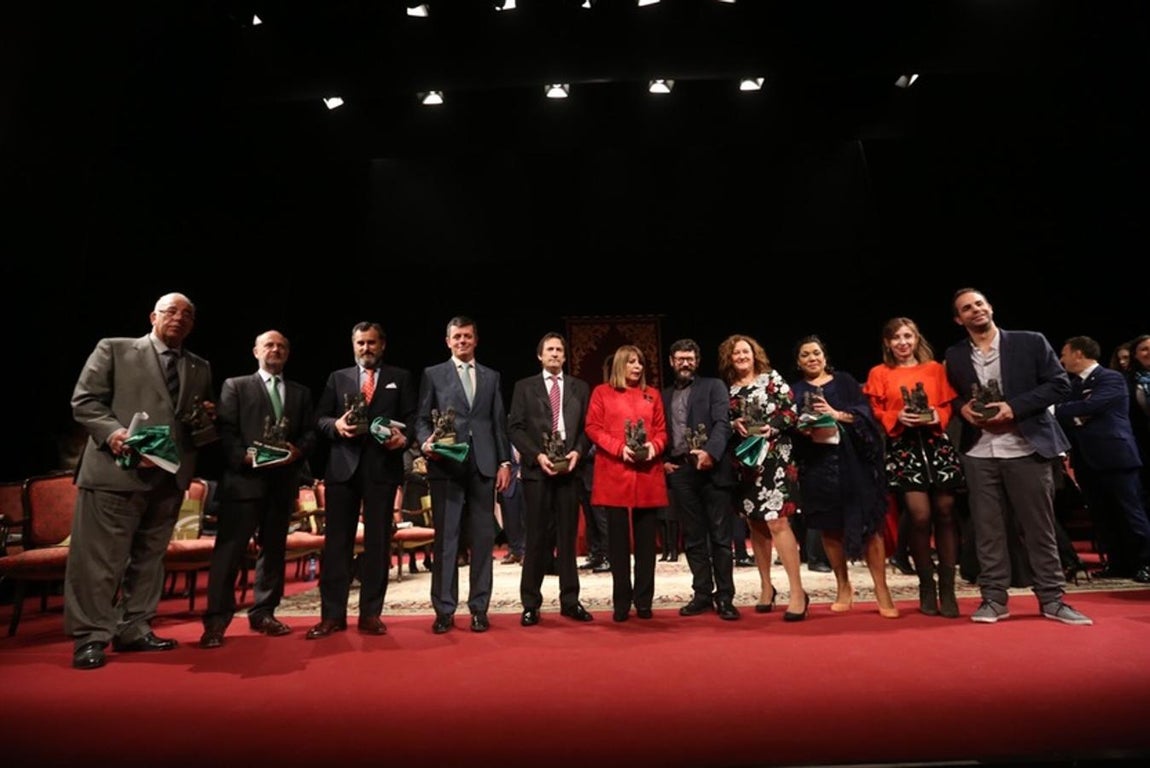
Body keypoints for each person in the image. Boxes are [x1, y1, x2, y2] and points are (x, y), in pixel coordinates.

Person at [65, 292, 215, 670]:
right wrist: (116, 435)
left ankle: (134, 627)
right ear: (153, 316)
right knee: (100, 560)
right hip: (117, 472)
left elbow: (196, 422)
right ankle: (91, 636)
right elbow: (85, 402)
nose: (178, 318)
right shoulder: (115, 349)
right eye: (170, 311)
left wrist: (206, 419)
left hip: (168, 476)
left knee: (150, 559)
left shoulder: (199, 367)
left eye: (187, 314)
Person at [944, 287, 1092, 625]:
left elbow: (1059, 384)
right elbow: (949, 396)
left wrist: (1013, 407)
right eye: (967, 308)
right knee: (987, 530)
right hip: (979, 451)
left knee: (1039, 527)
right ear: (958, 319)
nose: (975, 310)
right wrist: (961, 408)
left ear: (990, 307)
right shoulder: (953, 355)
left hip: (1026, 447)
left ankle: (1052, 599)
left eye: (979, 303)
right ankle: (994, 600)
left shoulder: (1030, 341)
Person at [200, 330, 317, 648]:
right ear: (255, 351)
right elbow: (225, 431)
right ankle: (216, 621)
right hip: (243, 483)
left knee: (274, 551)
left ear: (288, 354)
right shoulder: (235, 386)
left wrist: (298, 451)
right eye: (269, 345)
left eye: (281, 346)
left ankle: (264, 612)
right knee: (229, 553)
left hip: (282, 483)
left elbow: (309, 432)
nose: (275, 349)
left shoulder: (300, 393)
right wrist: (244, 457)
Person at [308, 321, 416, 639]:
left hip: (382, 470)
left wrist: (404, 438)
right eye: (360, 343)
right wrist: (336, 426)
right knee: (337, 545)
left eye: (371, 343)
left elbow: (412, 420)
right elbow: (319, 419)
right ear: (353, 345)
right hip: (342, 471)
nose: (365, 349)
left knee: (378, 544)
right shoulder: (337, 378)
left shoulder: (401, 377)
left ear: (382, 345)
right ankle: (332, 616)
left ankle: (370, 614)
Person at [863, 317, 965, 618]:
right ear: (887, 343)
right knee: (919, 515)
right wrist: (896, 417)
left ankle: (948, 587)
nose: (903, 343)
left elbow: (948, 405)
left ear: (917, 338)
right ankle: (925, 584)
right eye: (896, 338)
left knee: (946, 512)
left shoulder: (934, 369)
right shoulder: (879, 373)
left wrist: (937, 416)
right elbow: (875, 410)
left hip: (936, 445)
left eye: (908, 336)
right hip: (904, 448)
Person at [791, 335, 899, 619]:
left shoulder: (845, 382)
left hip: (854, 464)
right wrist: (800, 429)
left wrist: (836, 414)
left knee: (870, 526)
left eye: (816, 353)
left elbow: (865, 414)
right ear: (798, 362)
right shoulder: (795, 390)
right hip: (817, 466)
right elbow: (790, 427)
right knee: (829, 527)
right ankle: (843, 585)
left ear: (824, 356)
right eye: (805, 355)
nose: (812, 358)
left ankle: (881, 588)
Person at [416, 315, 512, 634]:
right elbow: (421, 419)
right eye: (457, 337)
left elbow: (498, 423)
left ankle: (479, 608)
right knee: (447, 540)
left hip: (483, 465)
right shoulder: (433, 374)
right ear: (448, 341)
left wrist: (504, 463)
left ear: (476, 339)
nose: (462, 341)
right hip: (446, 465)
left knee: (483, 540)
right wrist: (425, 441)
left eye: (467, 336)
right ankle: (444, 609)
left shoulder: (492, 376)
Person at [717, 334, 809, 621]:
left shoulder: (772, 379)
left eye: (746, 351)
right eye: (736, 353)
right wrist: (734, 424)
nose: (742, 356)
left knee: (778, 520)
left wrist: (772, 427)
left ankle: (797, 592)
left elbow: (791, 412)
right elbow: (722, 422)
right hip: (746, 462)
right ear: (729, 359)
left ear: (755, 354)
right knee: (755, 523)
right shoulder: (727, 390)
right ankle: (766, 587)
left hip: (775, 458)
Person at [507, 331, 595, 626]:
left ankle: (570, 600)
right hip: (537, 473)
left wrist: (578, 453)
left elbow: (588, 429)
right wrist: (536, 456)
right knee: (536, 539)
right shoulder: (524, 387)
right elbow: (515, 428)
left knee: (567, 539)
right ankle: (530, 603)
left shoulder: (580, 388)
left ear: (565, 356)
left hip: (570, 472)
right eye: (550, 350)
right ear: (540, 356)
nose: (555, 354)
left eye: (559, 350)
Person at [1055, 336, 1150, 582]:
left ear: (1078, 354)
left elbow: (1093, 406)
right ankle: (1118, 563)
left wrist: (1064, 410)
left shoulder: (1111, 378)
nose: (1061, 359)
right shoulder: (1074, 385)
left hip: (1116, 457)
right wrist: (1077, 411)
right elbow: (1075, 412)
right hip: (1086, 460)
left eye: (1064, 353)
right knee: (1101, 515)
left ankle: (1146, 562)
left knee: (1130, 512)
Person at [585, 344, 668, 622]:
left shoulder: (652, 394)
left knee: (646, 545)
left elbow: (662, 431)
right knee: (618, 545)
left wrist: (653, 448)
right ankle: (621, 602)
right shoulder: (602, 392)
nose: (638, 367)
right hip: (614, 472)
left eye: (640, 362)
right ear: (620, 364)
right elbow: (592, 428)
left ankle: (643, 601)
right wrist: (620, 448)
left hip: (647, 473)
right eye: (632, 362)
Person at [660, 338, 739, 621]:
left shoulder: (714, 386)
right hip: (681, 473)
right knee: (693, 538)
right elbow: (660, 431)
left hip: (713, 469)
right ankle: (702, 594)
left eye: (690, 358)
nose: (685, 363)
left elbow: (723, 423)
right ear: (671, 361)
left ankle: (726, 597)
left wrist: (711, 453)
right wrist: (663, 461)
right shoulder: (664, 395)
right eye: (680, 358)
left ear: (697, 361)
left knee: (720, 537)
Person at [400, 443, 433, 572]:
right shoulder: (407, 453)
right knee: (414, 523)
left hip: (424, 493)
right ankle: (412, 561)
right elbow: (406, 472)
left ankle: (427, 558)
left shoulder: (423, 451)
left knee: (428, 524)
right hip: (412, 494)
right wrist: (423, 479)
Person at [497, 445, 526, 565]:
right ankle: (515, 550)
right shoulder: (504, 437)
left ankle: (526, 551)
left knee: (527, 517)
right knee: (510, 516)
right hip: (509, 478)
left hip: (526, 476)